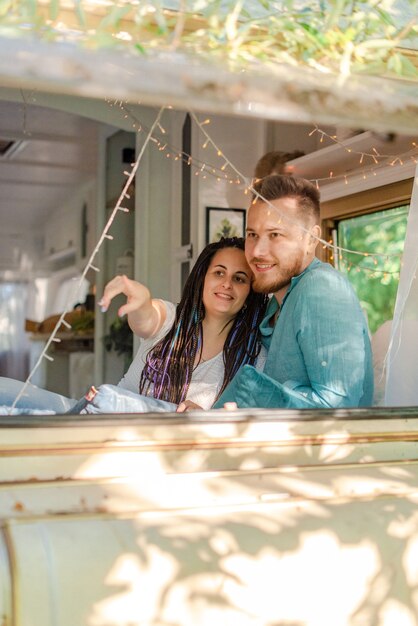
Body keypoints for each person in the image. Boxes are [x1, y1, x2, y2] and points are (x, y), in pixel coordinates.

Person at [1, 237, 267, 415]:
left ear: (249, 292)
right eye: (219, 273)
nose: (227, 284)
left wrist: (205, 419)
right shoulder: (171, 318)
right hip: (92, 418)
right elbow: (147, 318)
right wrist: (141, 301)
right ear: (202, 279)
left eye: (239, 279)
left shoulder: (254, 357)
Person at [213, 174, 374, 410]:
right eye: (252, 234)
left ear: (311, 239)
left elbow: (338, 411)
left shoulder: (322, 289)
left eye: (275, 235)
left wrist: (245, 401)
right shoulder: (276, 302)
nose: (257, 250)